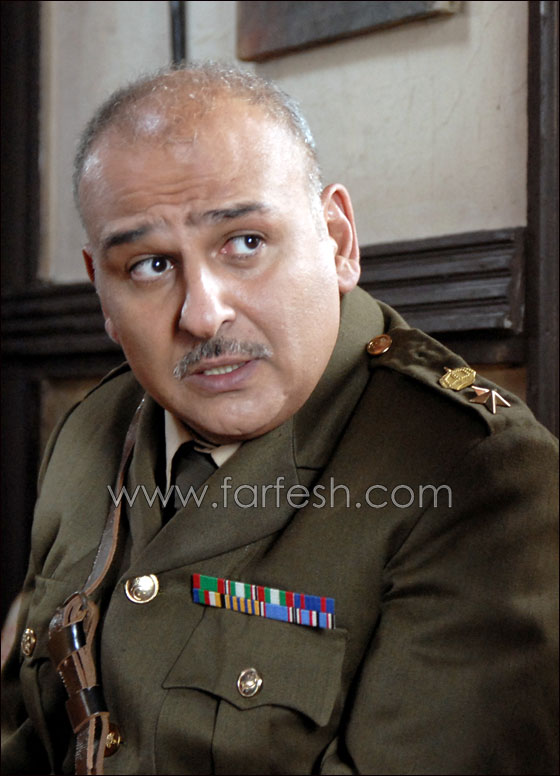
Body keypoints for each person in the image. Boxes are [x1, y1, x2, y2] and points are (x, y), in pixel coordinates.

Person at [1, 63, 558, 776]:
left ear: (337, 240)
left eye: (246, 243)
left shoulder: (475, 473)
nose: (203, 315)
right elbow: (28, 730)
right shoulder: (91, 430)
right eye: (148, 266)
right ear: (102, 294)